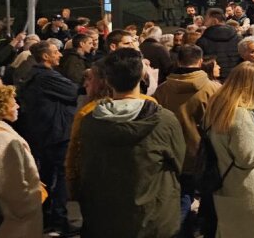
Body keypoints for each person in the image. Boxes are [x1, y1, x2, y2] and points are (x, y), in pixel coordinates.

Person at [77, 49, 185, 238]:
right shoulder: (164, 120)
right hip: (154, 214)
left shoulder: (90, 121)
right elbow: (178, 161)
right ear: (142, 76)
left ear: (108, 81)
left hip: (104, 216)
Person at [203, 62, 254, 238]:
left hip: (224, 184)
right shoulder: (241, 115)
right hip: (248, 188)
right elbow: (247, 157)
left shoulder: (217, 106)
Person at [154, 45, 223, 234]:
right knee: (209, 199)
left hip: (173, 152)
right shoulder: (212, 89)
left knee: (182, 196)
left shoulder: (163, 89)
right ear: (200, 62)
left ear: (178, 61)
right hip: (204, 152)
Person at [14, 40, 78, 235]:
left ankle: (48, 217)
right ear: (45, 56)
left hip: (46, 134)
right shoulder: (45, 76)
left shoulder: (35, 75)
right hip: (55, 134)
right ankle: (59, 221)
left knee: (48, 176)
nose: (59, 55)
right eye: (55, 52)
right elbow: (72, 90)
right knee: (59, 177)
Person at [0, 85, 43, 237]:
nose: (17, 106)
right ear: (1, 107)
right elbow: (11, 185)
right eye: (13, 102)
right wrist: (29, 205)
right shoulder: (3, 140)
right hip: (14, 223)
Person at [197, 8, 242, 80]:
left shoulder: (203, 41)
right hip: (235, 79)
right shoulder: (238, 38)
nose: (204, 23)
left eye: (206, 19)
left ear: (215, 20)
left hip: (213, 79)